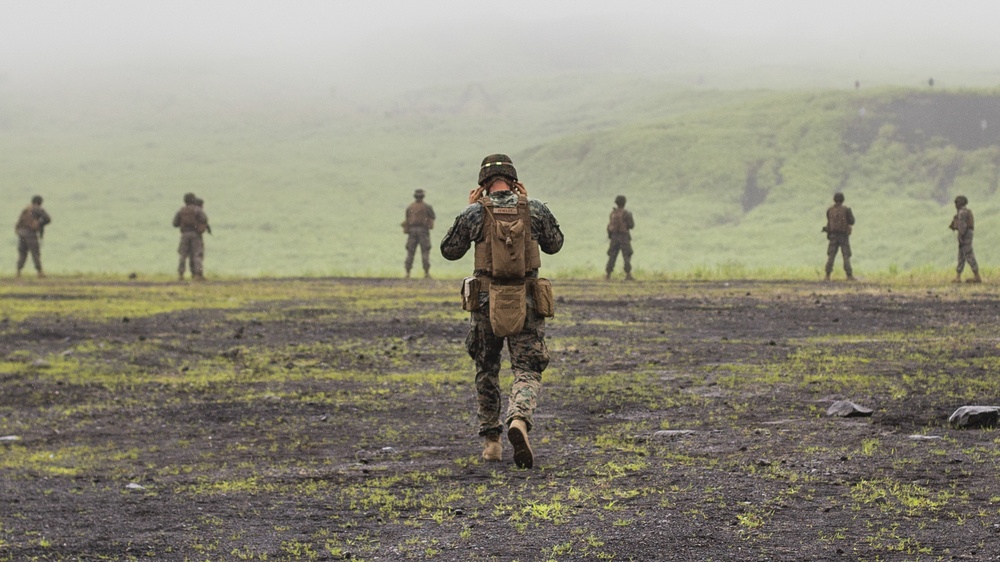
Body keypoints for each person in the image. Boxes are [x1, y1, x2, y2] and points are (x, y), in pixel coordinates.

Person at [440, 154, 564, 468]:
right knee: (527, 368)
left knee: (487, 368)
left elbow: (449, 250)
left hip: (485, 303)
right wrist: (526, 203)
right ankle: (519, 419)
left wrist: (469, 208)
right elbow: (555, 244)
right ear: (514, 180)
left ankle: (492, 443)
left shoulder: (474, 212)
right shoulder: (533, 208)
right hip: (527, 301)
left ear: (483, 184)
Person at [172, 192, 208, 281]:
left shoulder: (181, 210)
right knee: (197, 254)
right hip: (196, 235)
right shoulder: (197, 210)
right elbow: (204, 219)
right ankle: (198, 274)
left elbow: (175, 223)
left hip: (184, 235)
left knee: (183, 255)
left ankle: (181, 274)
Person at [15, 195, 52, 278]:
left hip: (21, 234)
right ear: (39, 202)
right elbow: (48, 218)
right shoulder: (37, 209)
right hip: (30, 234)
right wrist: (40, 223)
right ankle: (40, 272)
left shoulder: (26, 209)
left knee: (22, 253)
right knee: (35, 253)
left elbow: (19, 222)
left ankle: (18, 272)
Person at [402, 188, 435, 278]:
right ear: (423, 196)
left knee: (410, 252)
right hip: (423, 231)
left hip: (412, 231)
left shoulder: (410, 207)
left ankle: (407, 272)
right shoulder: (427, 207)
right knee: (425, 251)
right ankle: (426, 273)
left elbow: (407, 218)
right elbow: (433, 216)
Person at [823, 192, 855, 281]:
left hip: (833, 235)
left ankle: (827, 275)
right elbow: (852, 221)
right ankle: (849, 275)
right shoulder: (846, 209)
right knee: (846, 254)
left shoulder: (830, 210)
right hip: (843, 236)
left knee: (831, 255)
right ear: (842, 200)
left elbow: (829, 222)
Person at [950, 195, 981, 283]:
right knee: (961, 255)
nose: (955, 205)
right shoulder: (965, 212)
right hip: (967, 233)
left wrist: (960, 236)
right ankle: (958, 276)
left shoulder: (962, 212)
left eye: (956, 202)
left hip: (965, 234)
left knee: (968, 253)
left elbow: (962, 226)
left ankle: (977, 276)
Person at [605, 195, 635, 280]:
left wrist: (611, 236)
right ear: (624, 203)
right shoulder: (626, 213)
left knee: (612, 256)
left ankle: (608, 274)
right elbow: (631, 225)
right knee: (627, 255)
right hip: (624, 236)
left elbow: (609, 226)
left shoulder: (612, 213)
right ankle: (628, 274)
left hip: (614, 237)